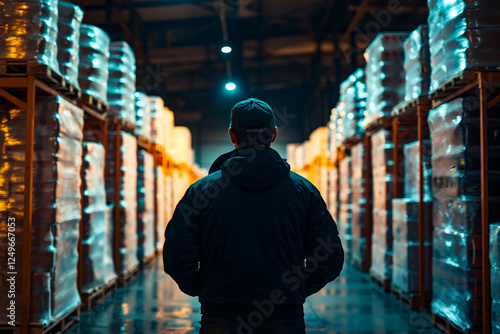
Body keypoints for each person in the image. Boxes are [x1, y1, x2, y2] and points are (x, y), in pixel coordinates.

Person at [163, 98, 344, 334]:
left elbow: (176, 256)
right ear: (274, 134)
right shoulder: (304, 192)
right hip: (283, 319)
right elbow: (329, 259)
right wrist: (295, 290)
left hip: (220, 316)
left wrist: (205, 287)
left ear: (232, 135)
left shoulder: (202, 191)